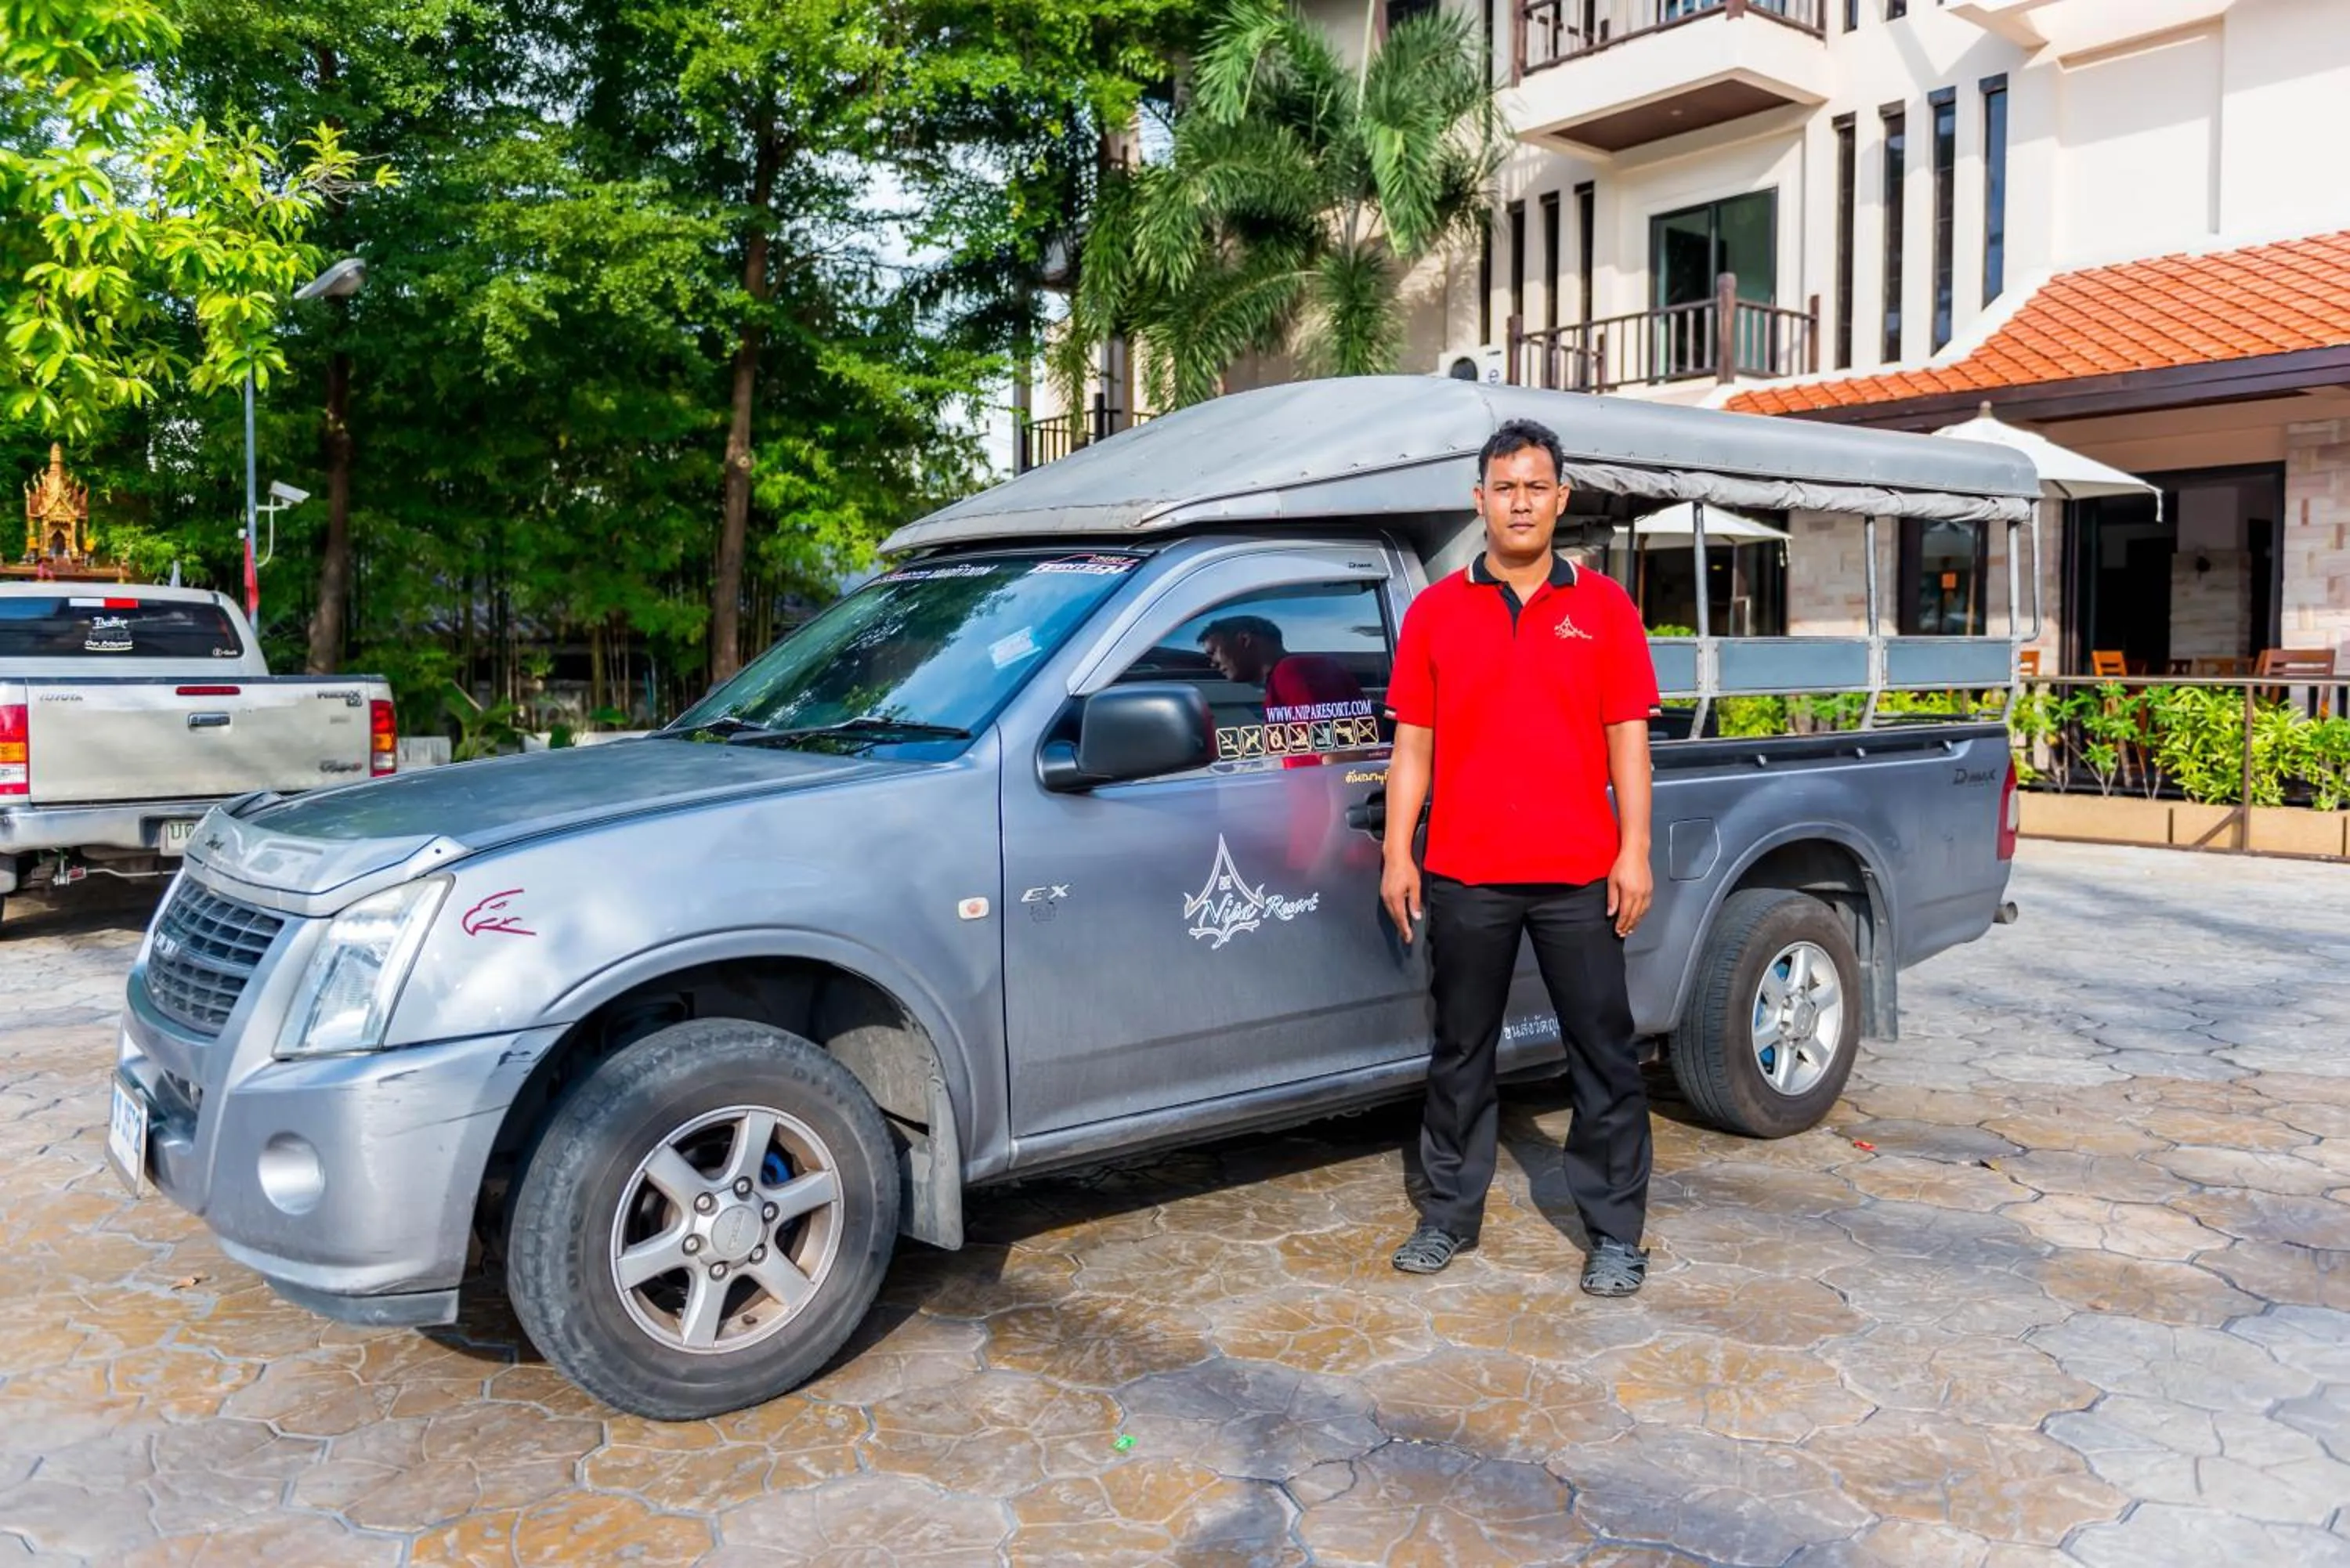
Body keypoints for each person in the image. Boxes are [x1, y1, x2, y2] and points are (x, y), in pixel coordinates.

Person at [1379, 417, 1661, 1296]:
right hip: (1466, 870)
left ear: (1561, 497)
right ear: (1481, 500)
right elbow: (1412, 748)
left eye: (1537, 486)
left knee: (1603, 1054)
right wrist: (1398, 852)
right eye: (1505, 487)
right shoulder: (1435, 610)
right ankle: (1448, 1215)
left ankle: (1614, 1232)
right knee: (1461, 1051)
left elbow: (1629, 744)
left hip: (1580, 870)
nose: (1521, 502)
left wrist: (1635, 852)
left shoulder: (1604, 607)